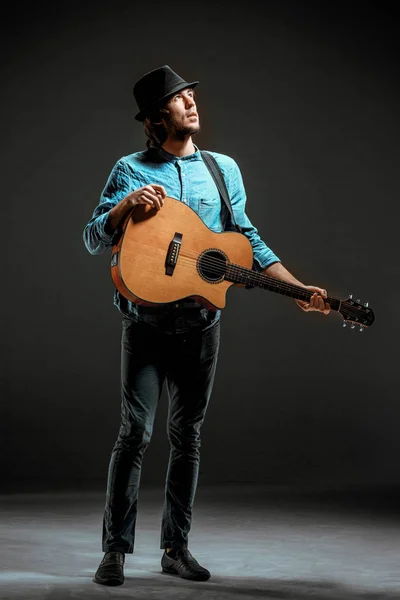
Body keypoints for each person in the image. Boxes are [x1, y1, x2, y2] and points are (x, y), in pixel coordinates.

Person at [83, 65, 330, 586]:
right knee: (134, 435)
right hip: (145, 323)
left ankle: (176, 547)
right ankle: (115, 552)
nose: (191, 103)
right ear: (155, 118)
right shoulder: (129, 168)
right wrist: (123, 208)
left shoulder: (222, 170)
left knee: (187, 438)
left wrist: (299, 289)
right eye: (179, 98)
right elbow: (91, 237)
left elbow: (249, 241)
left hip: (201, 324)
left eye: (192, 94)